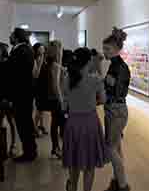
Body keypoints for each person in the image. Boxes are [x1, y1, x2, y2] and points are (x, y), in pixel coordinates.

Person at [63, 47, 107, 191]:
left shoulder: (67, 78)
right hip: (90, 123)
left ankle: (72, 187)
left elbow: (65, 101)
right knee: (89, 165)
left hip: (72, 123)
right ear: (89, 61)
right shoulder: (94, 79)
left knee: (74, 163)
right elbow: (103, 99)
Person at [103, 27, 131, 191]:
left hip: (116, 110)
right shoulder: (115, 66)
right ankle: (118, 180)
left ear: (117, 49)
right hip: (114, 110)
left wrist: (106, 85)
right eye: (104, 48)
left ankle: (122, 185)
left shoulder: (120, 67)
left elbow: (118, 91)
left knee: (111, 148)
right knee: (116, 147)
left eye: (107, 49)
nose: (104, 52)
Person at [8, 28, 37, 162]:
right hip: (24, 93)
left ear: (17, 37)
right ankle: (30, 151)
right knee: (25, 123)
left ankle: (29, 153)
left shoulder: (22, 50)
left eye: (12, 35)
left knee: (23, 124)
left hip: (21, 94)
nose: (10, 37)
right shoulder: (25, 49)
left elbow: (16, 74)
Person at [38, 40, 64, 159]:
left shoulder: (46, 63)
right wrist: (61, 100)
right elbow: (55, 85)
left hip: (47, 98)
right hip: (54, 99)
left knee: (55, 124)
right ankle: (57, 149)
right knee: (58, 124)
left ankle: (55, 148)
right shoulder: (56, 66)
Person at [32, 43, 48, 136]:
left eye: (43, 49)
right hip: (38, 86)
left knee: (41, 109)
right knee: (39, 108)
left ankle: (41, 126)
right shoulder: (36, 59)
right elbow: (36, 75)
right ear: (37, 50)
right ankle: (34, 127)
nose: (42, 50)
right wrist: (41, 62)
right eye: (40, 49)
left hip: (43, 86)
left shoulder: (43, 58)